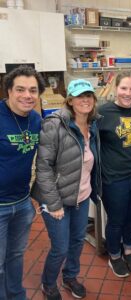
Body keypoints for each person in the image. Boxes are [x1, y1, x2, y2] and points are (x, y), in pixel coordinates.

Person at [31, 79, 102, 300]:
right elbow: (43, 167)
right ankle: (48, 283)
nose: (85, 100)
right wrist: (53, 204)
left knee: (77, 241)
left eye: (89, 95)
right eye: (80, 96)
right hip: (57, 200)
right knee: (60, 247)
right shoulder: (55, 124)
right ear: (70, 100)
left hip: (80, 197)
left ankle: (70, 276)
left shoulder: (93, 124)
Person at [98, 71, 131, 278]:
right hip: (114, 178)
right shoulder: (102, 113)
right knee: (116, 219)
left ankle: (128, 250)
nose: (128, 93)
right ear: (115, 89)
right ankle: (114, 255)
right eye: (123, 88)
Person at [0, 65, 45, 300]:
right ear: (8, 90)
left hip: (22, 202)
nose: (27, 95)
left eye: (33, 90)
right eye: (20, 89)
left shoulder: (36, 120)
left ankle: (17, 296)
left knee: (16, 256)